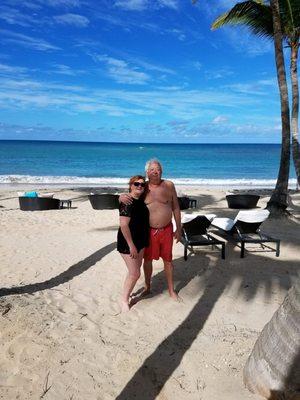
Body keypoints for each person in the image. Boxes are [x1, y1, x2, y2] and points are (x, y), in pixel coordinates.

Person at [120, 159, 181, 301]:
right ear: (147, 172)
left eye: (158, 169)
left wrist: (179, 227)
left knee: (168, 261)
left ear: (162, 171)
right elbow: (130, 197)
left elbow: (176, 207)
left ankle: (172, 290)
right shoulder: (142, 187)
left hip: (167, 230)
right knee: (147, 261)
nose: (155, 171)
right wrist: (120, 197)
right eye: (152, 169)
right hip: (148, 232)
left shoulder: (169, 185)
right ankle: (147, 287)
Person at [117, 175, 149, 312]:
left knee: (133, 271)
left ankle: (126, 292)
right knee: (135, 273)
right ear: (130, 185)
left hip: (141, 240)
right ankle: (124, 299)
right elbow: (124, 225)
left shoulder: (140, 200)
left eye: (142, 185)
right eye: (136, 184)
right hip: (129, 242)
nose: (140, 186)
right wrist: (131, 245)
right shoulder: (126, 201)